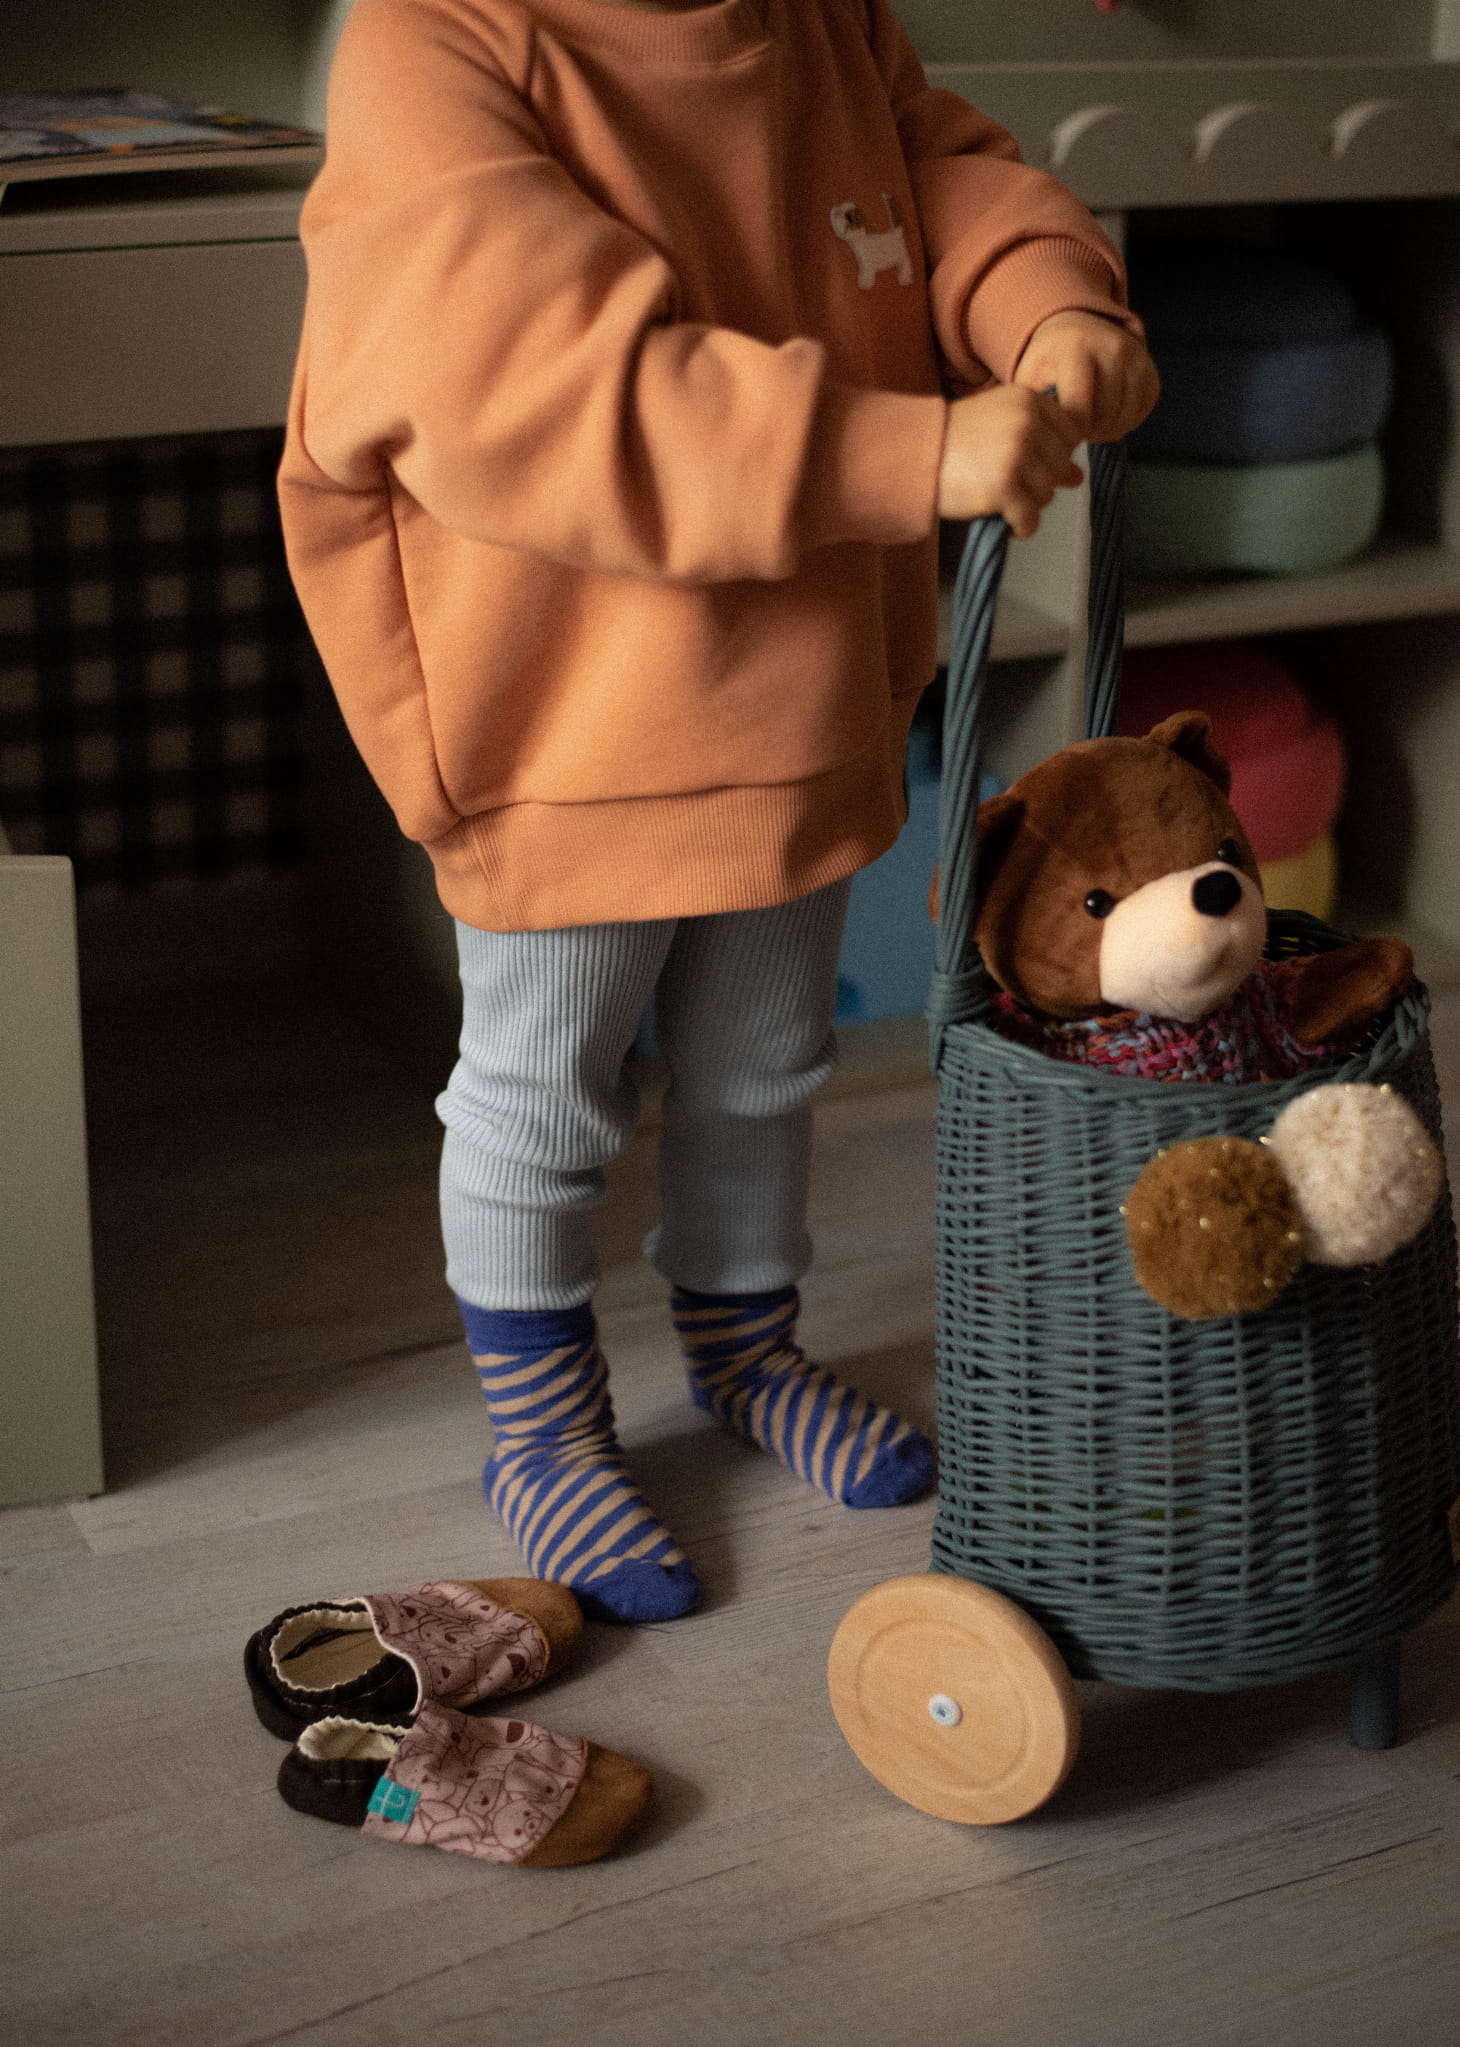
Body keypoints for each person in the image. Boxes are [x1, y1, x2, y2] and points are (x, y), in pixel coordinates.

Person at [278, 0, 1160, 1624]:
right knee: (544, 1103)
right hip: (566, 716)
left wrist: (1045, 298)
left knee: (765, 1065)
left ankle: (748, 1355)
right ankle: (544, 1433)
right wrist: (906, 450)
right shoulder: (435, 41)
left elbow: (935, 177)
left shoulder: (818, 18)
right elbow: (537, 381)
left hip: (802, 684)